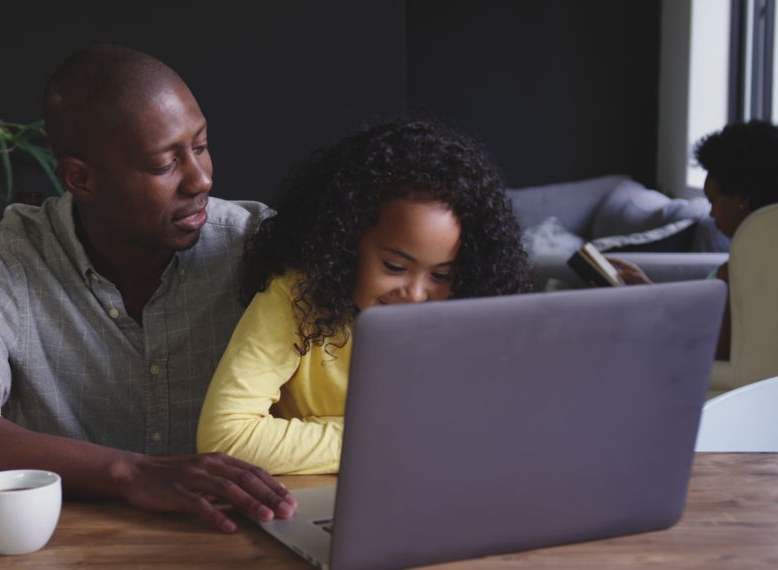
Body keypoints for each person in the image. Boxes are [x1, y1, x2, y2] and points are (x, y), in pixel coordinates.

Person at [0, 45, 297, 534]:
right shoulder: (6, 261)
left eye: (201, 146)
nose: (201, 178)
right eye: (164, 165)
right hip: (65, 550)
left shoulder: (261, 246)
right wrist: (129, 473)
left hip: (244, 541)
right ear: (81, 178)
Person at [196, 119, 532, 474]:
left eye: (441, 275)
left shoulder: (466, 313)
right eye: (394, 266)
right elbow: (225, 438)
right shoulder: (295, 298)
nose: (416, 295)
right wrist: (388, 440)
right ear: (345, 242)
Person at [609, 121, 778, 360]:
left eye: (713, 201)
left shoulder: (741, 269)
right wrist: (652, 293)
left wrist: (649, 309)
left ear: (742, 199)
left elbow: (711, 349)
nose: (711, 213)